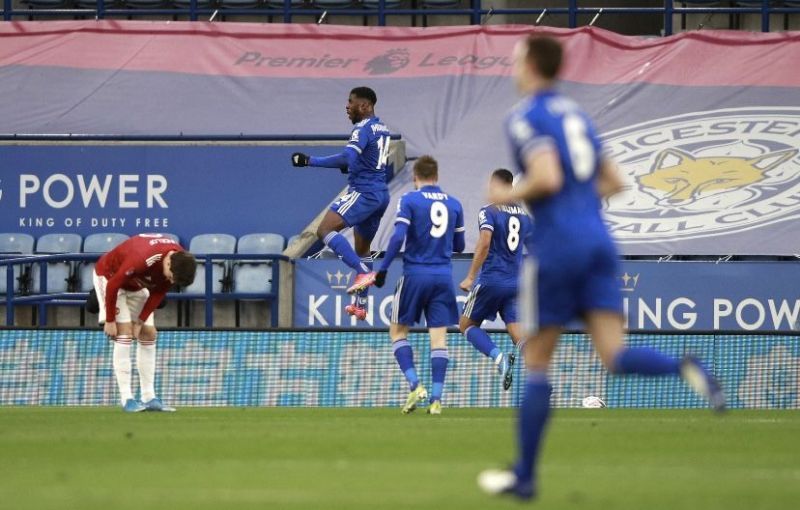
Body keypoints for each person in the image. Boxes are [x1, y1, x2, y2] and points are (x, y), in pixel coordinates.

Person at [477, 35, 725, 501]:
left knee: (536, 360)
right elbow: (614, 181)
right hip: (598, 242)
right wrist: (577, 206)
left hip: (557, 248)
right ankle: (685, 366)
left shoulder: (527, 116)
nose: (513, 68)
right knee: (614, 354)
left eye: (515, 60)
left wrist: (505, 195)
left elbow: (547, 177)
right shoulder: (578, 116)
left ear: (530, 66)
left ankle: (526, 476)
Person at [360, 156, 465, 415]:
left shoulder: (409, 200)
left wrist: (383, 269)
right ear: (436, 176)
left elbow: (398, 236)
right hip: (443, 277)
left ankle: (415, 385)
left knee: (397, 332)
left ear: (415, 177)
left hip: (416, 274)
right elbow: (460, 246)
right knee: (439, 341)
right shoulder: (454, 204)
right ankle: (437, 400)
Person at [291, 86, 392, 321]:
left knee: (324, 230)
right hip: (380, 195)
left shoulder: (363, 128)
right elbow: (367, 160)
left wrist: (309, 160)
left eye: (351, 102)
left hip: (364, 193)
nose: (347, 106)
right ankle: (361, 304)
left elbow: (348, 156)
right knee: (363, 249)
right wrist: (351, 167)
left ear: (365, 106)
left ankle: (362, 271)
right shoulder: (382, 128)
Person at [93, 233, 196, 413]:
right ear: (168, 263)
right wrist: (110, 320)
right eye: (171, 278)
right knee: (123, 332)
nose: (171, 281)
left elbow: (158, 292)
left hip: (136, 285)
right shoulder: (144, 257)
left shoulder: (179, 261)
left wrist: (140, 322)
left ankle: (149, 397)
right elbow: (114, 284)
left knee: (149, 333)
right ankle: (127, 399)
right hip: (109, 278)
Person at [459, 168, 531, 390]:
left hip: (491, 279)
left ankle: (498, 357)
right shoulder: (524, 217)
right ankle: (540, 376)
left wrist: (471, 276)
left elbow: (484, 242)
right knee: (516, 331)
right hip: (515, 283)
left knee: (466, 325)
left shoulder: (488, 211)